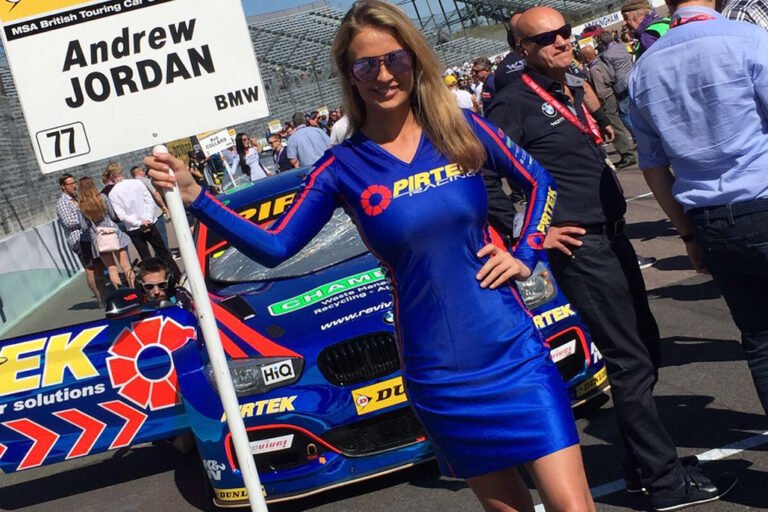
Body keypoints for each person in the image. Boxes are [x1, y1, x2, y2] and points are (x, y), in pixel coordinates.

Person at [146, 1, 597, 510]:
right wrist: (198, 198)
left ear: (414, 60)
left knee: (571, 506)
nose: (384, 75)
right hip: (438, 372)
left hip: (514, 352)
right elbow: (276, 247)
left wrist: (525, 252)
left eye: (395, 59)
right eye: (366, 65)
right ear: (350, 76)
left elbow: (539, 181)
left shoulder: (462, 128)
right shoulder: (341, 168)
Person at [486, 6, 735, 510]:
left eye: (562, 33)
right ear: (523, 51)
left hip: (613, 236)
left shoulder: (567, 88)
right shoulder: (511, 103)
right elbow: (483, 174)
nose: (561, 42)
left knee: (644, 348)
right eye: (547, 38)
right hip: (581, 245)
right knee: (630, 360)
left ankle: (641, 465)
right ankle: (663, 482)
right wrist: (531, 233)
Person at [630, 0, 768, 416]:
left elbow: (654, 169)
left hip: (710, 221)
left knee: (760, 342)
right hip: (761, 198)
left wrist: (687, 234)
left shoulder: (645, 69)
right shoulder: (748, 39)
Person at [107, 162, 181, 280]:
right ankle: (177, 276)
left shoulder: (113, 193)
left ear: (111, 176)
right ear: (122, 171)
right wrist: (147, 218)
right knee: (163, 252)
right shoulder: (137, 183)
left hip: (134, 228)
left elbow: (121, 215)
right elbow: (149, 201)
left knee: (146, 257)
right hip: (149, 222)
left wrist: (138, 222)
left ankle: (153, 281)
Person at [580, 45, 636, 169]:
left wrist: (599, 102)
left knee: (614, 126)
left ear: (585, 57)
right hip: (610, 94)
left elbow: (599, 89)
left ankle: (627, 154)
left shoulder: (594, 69)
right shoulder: (600, 64)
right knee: (616, 123)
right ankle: (627, 153)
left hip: (606, 98)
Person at [77, 176, 134, 289]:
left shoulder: (81, 205)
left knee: (112, 269)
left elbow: (83, 226)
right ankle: (135, 291)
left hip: (98, 237)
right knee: (126, 266)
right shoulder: (103, 197)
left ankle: (122, 294)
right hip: (114, 233)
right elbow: (113, 215)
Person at [56, 173, 102, 305]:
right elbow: (69, 222)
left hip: (89, 236)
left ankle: (104, 292)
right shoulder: (63, 203)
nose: (74, 186)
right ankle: (99, 298)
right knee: (90, 268)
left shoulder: (76, 198)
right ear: (63, 187)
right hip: (78, 239)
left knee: (99, 264)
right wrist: (85, 218)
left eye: (73, 182)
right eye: (70, 184)